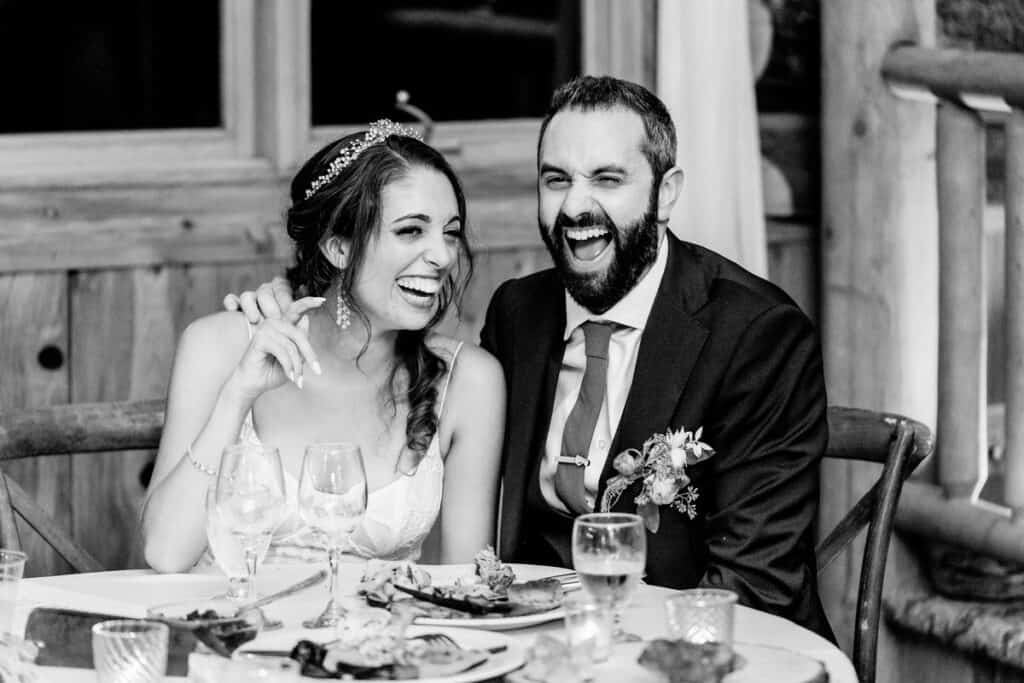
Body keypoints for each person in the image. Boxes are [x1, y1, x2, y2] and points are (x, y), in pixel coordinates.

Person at [229, 77, 832, 640]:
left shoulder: (757, 336)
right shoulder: (520, 313)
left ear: (665, 193)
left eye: (608, 179)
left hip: (696, 648)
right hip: (531, 643)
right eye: (556, 180)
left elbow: (754, 589)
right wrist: (301, 304)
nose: (576, 208)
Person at [142, 120, 505, 573]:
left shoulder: (469, 381)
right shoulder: (218, 346)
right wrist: (239, 395)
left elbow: (467, 584)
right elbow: (164, 553)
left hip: (374, 641)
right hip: (226, 632)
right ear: (338, 247)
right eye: (412, 231)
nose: (444, 256)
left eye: (450, 232)